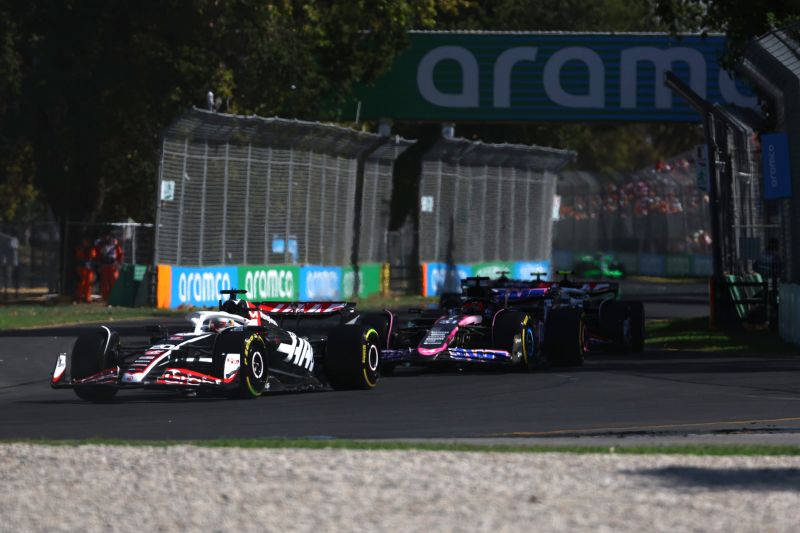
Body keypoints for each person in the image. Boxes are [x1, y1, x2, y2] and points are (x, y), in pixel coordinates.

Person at [94, 232, 124, 301]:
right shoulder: (101, 245)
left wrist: (118, 264)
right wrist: (99, 265)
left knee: (114, 282)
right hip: (104, 266)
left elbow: (120, 255)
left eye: (110, 237)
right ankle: (106, 298)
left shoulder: (116, 246)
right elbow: (98, 255)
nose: (108, 238)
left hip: (113, 266)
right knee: (104, 283)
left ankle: (114, 297)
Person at [74, 237, 96, 303]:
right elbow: (78, 256)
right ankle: (79, 297)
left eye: (86, 241)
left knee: (88, 283)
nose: (85, 243)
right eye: (84, 241)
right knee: (81, 283)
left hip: (89, 268)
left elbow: (93, 256)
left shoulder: (91, 249)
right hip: (82, 268)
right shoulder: (80, 248)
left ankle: (87, 297)